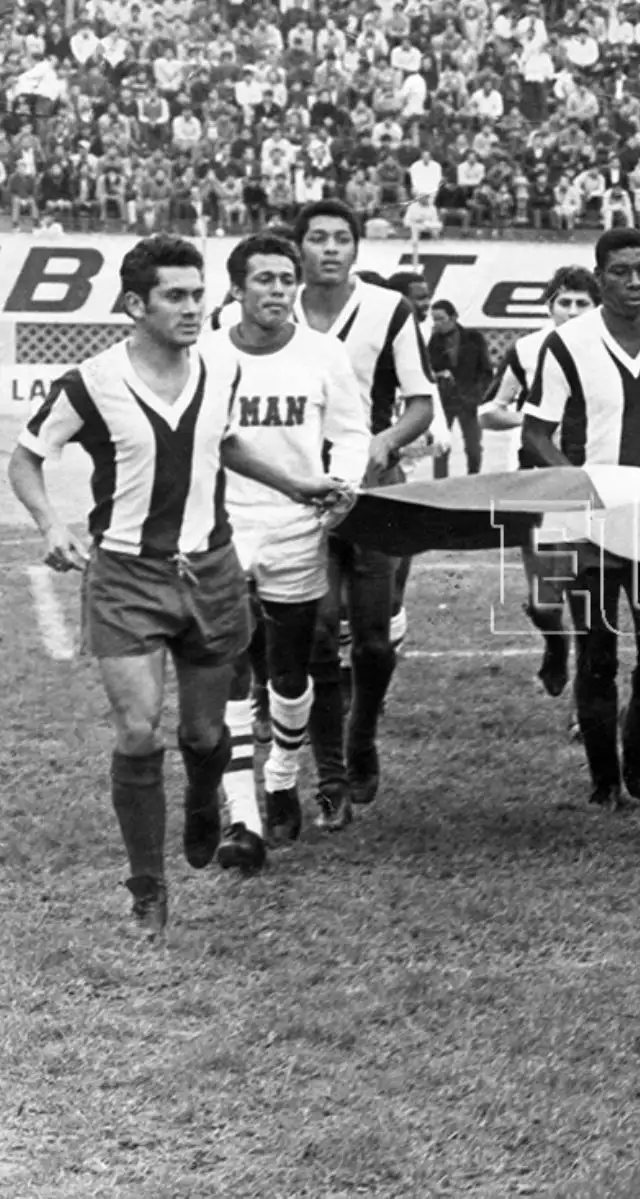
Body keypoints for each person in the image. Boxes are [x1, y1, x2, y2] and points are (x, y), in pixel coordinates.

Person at [8, 234, 345, 938]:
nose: (195, 307)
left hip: (211, 570)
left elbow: (222, 443)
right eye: (176, 295)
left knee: (203, 731)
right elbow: (27, 458)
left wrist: (297, 481)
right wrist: (52, 526)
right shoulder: (92, 381)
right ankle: (147, 885)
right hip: (127, 575)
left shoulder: (219, 371)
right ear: (136, 304)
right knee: (137, 731)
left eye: (199, 293)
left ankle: (202, 793)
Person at [520, 229, 640, 807]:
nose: (635, 282)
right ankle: (604, 777)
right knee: (597, 654)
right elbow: (535, 434)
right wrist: (582, 488)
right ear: (599, 275)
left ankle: (637, 727)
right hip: (586, 527)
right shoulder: (566, 344)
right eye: (622, 271)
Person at [205, 232, 368, 869]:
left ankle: (282, 770)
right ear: (238, 288)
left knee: (291, 672)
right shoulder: (211, 354)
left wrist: (344, 489)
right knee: (229, 665)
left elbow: (350, 434)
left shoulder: (323, 355)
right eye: (264, 280)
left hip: (298, 525)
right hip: (224, 525)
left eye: (285, 279)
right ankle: (243, 812)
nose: (277, 291)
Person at [292, 199, 438, 831]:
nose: (330, 248)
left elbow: (421, 404)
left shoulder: (388, 309)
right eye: (318, 238)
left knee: (374, 640)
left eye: (341, 239)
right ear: (299, 247)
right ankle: (330, 777)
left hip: (376, 489)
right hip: (299, 490)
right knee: (321, 632)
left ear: (356, 249)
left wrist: (384, 443)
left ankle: (363, 735)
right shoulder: (276, 310)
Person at [477, 265, 603, 701]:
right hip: (541, 484)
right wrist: (531, 419)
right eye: (563, 302)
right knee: (546, 601)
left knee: (589, 602)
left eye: (581, 303)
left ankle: (585, 708)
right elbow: (489, 411)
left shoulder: (613, 350)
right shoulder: (528, 350)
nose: (571, 311)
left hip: (596, 487)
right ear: (549, 307)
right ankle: (554, 642)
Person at [427, 299, 493, 478]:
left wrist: (479, 394)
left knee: (473, 446)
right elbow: (428, 369)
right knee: (441, 445)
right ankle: (439, 483)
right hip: (444, 400)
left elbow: (486, 370)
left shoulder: (474, 338)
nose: (438, 324)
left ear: (453, 317)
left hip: (469, 399)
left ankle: (474, 478)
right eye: (434, 319)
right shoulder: (433, 341)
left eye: (441, 319)